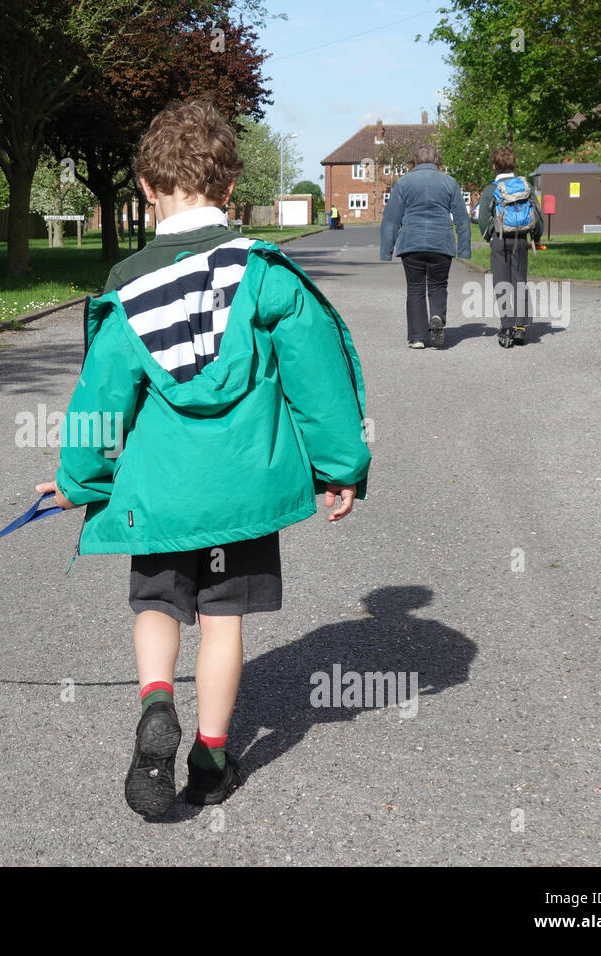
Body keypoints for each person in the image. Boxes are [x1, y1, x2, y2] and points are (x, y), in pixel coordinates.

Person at [35, 99, 371, 818]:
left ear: (147, 189)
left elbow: (102, 401)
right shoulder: (266, 277)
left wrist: (78, 481)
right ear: (228, 191)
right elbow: (320, 384)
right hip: (242, 494)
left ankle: (157, 702)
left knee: (157, 605)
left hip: (160, 496)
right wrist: (340, 465)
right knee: (223, 622)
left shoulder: (126, 289)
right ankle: (212, 758)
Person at [379, 144, 473, 348]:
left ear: (414, 161)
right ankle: (437, 316)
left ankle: (417, 337)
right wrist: (464, 250)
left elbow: (391, 219)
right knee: (438, 285)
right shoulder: (449, 182)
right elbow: (462, 218)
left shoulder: (403, 183)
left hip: (411, 243)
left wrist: (386, 250)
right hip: (441, 242)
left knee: (415, 288)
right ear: (437, 160)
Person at [478, 146, 543, 347]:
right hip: (521, 239)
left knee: (502, 283)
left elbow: (482, 220)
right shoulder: (526, 186)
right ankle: (521, 327)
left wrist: (488, 237)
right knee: (519, 281)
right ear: (513, 164)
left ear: (494, 166)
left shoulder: (491, 189)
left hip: (499, 239)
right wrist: (536, 236)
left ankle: (507, 326)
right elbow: (538, 216)